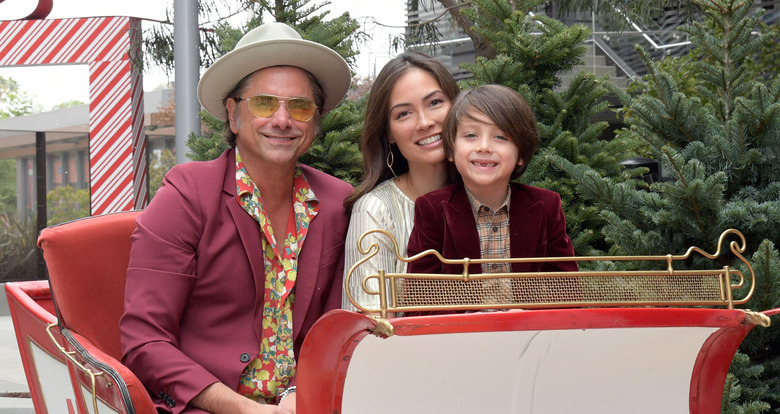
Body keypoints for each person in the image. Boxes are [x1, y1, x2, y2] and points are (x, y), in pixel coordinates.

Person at [119, 22, 353, 414]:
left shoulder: (336, 201)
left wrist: (298, 396)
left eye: (299, 106)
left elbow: (335, 326)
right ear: (233, 114)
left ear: (313, 121)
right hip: (207, 407)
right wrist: (243, 409)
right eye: (264, 103)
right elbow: (145, 341)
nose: (283, 119)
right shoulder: (188, 194)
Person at [406, 84, 577, 313]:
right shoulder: (432, 209)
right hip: (457, 342)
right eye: (470, 135)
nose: (484, 147)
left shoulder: (545, 206)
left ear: (520, 155)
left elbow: (568, 293)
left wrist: (527, 317)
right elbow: (418, 301)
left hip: (530, 339)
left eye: (500, 137)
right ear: (450, 149)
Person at [341, 52, 460, 313]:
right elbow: (367, 328)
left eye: (435, 103)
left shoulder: (489, 195)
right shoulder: (374, 210)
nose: (425, 122)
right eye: (404, 113)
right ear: (389, 134)